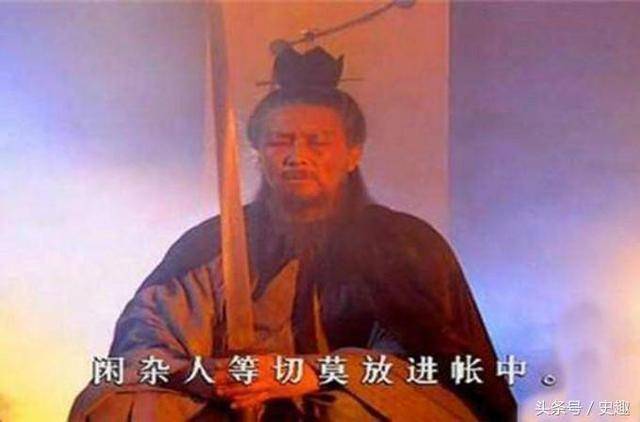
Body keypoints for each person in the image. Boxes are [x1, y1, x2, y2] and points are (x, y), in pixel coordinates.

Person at [70, 46, 516, 421]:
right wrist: (203, 374)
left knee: (349, 414)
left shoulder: (403, 244)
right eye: (280, 141)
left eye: (316, 143)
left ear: (353, 153)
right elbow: (146, 341)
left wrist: (314, 372)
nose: (296, 156)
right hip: (228, 407)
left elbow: (428, 362)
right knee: (116, 404)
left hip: (343, 398)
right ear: (259, 154)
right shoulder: (211, 244)